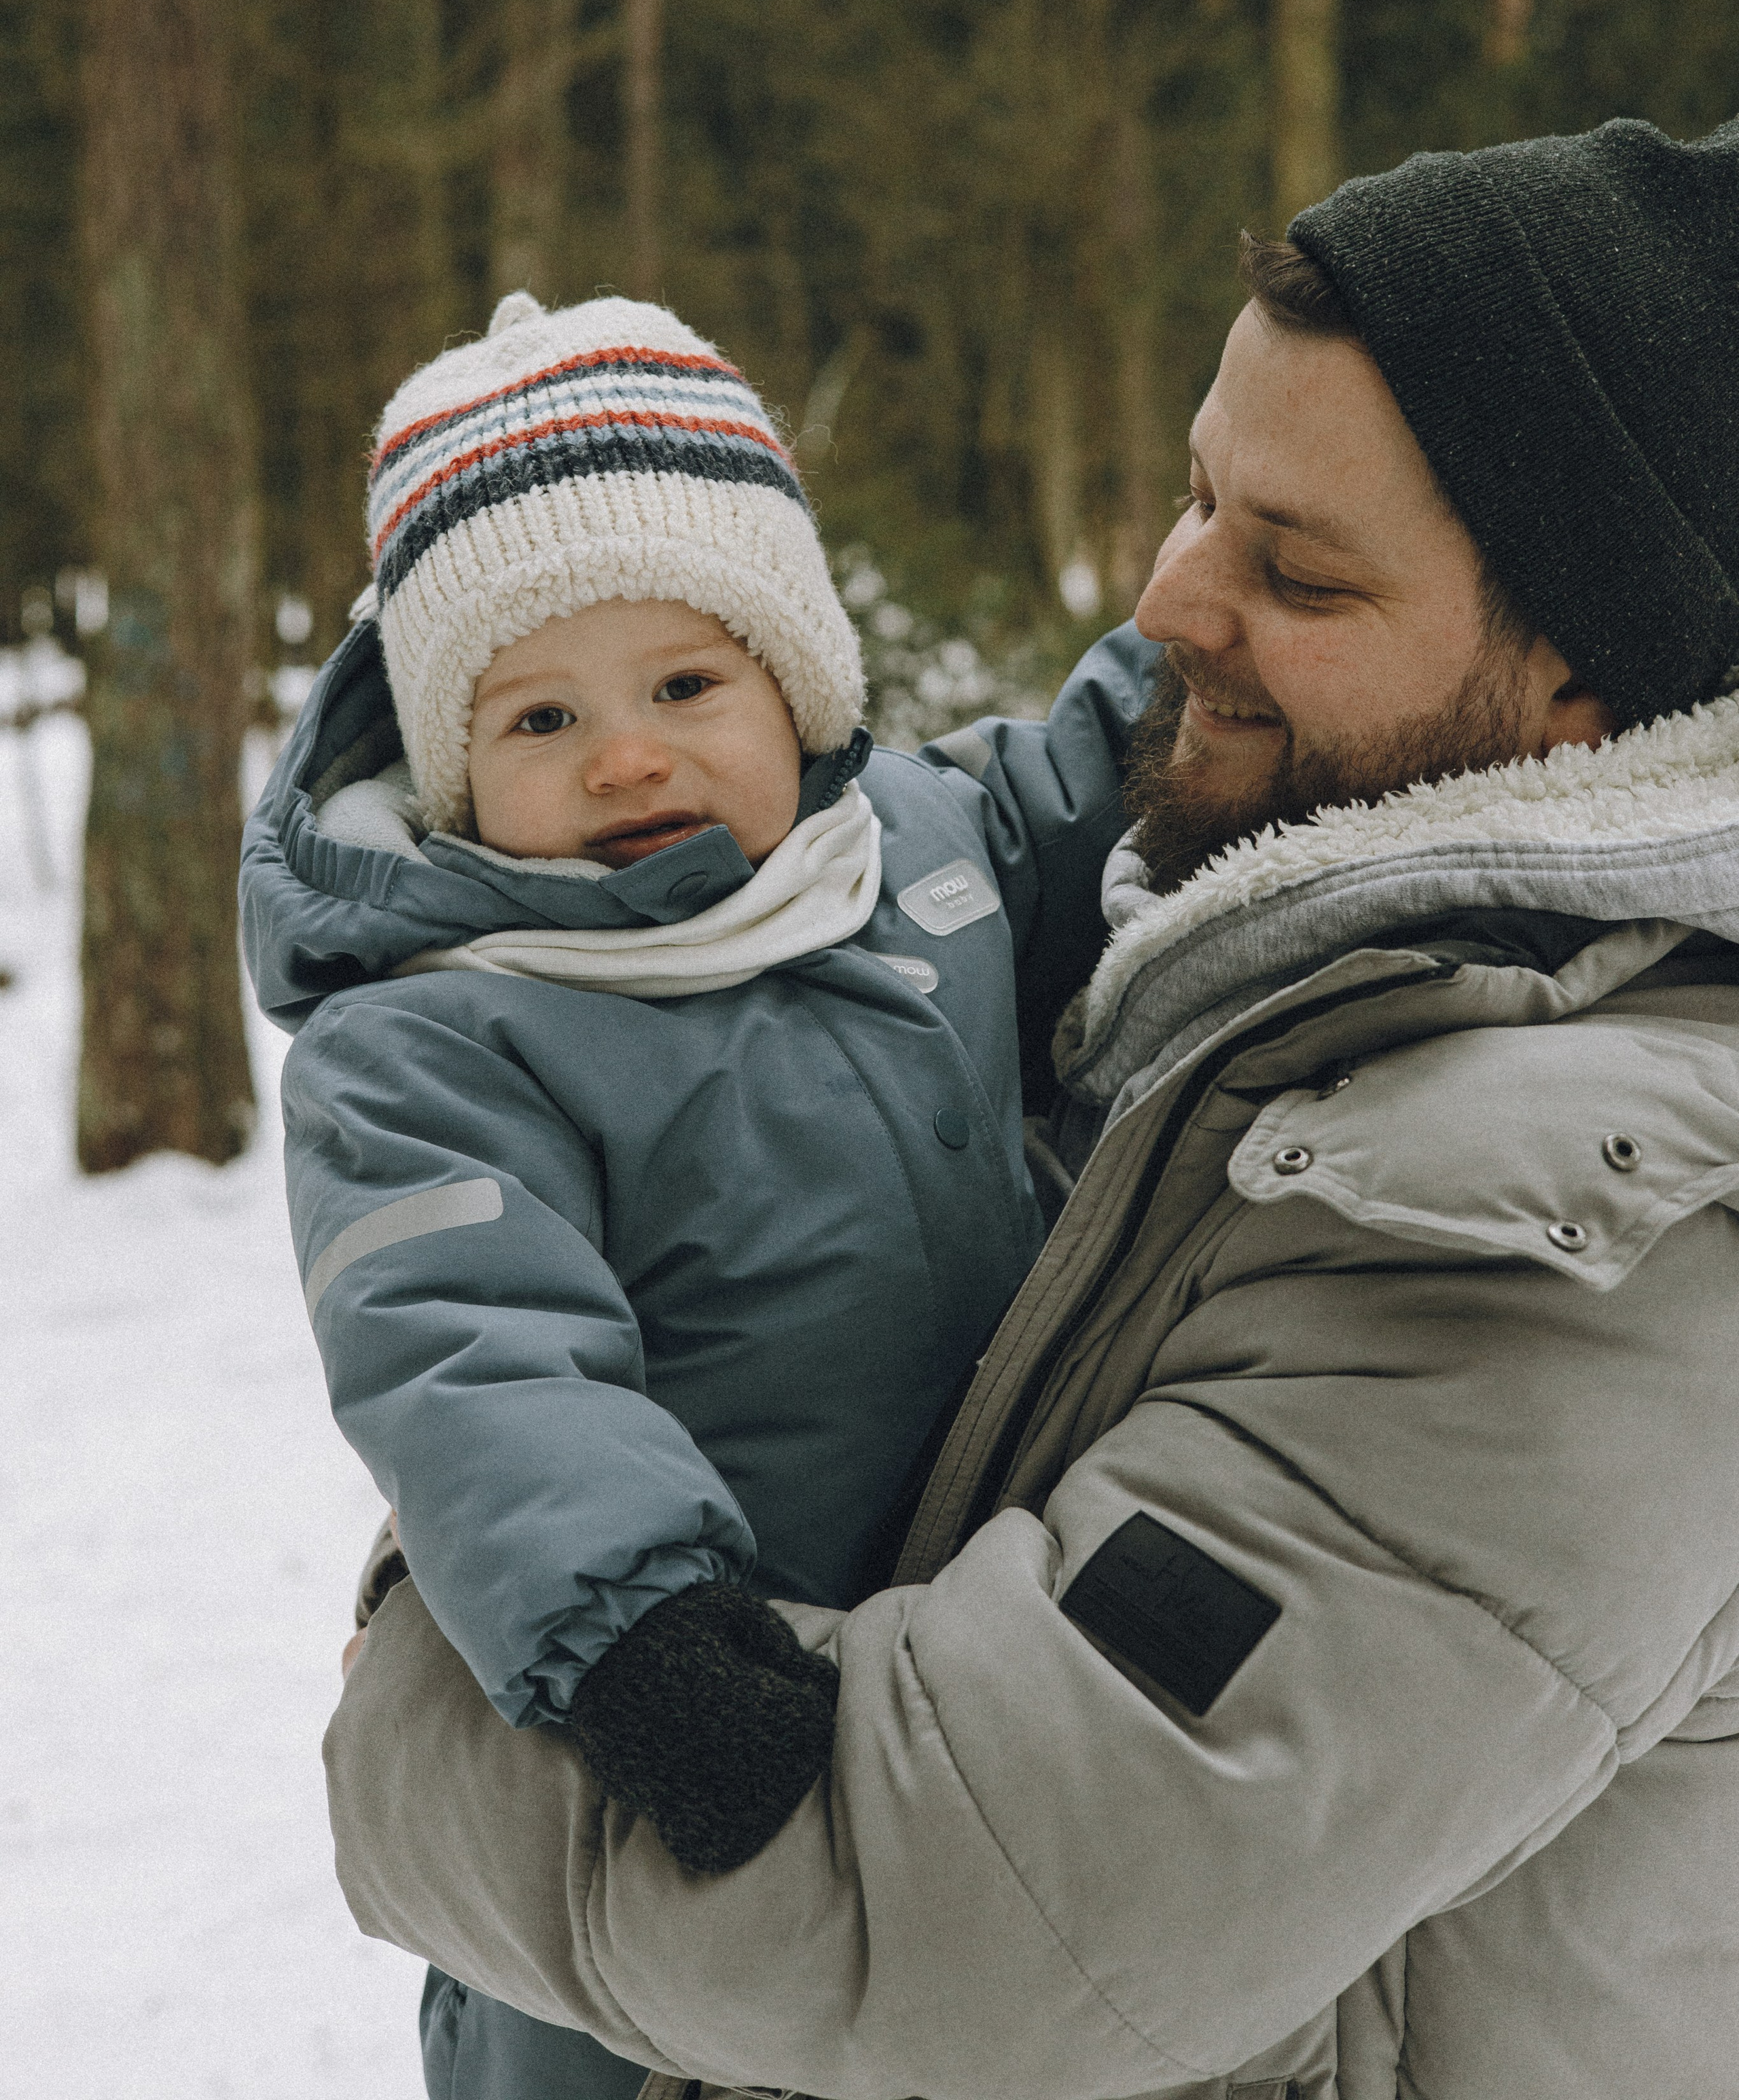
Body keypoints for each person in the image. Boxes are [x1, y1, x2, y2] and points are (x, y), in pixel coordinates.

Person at [325, 115, 1739, 2100]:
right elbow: (465, 1334)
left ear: (1591, 686)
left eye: (1294, 568)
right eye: (1192, 497)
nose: (1164, 599)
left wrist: (414, 1724)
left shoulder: (1576, 1233)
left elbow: (943, 1924)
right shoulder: (1269, 938)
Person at [240, 287, 1155, 2100]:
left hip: (975, 1705)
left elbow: (1110, 770)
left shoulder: (920, 854)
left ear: (795, 685)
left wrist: (1232, 620)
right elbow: (475, 1361)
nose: (627, 756)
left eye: (684, 685)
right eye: (541, 717)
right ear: (453, 766)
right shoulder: (439, 1044)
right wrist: (635, 1631)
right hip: (662, 1728)